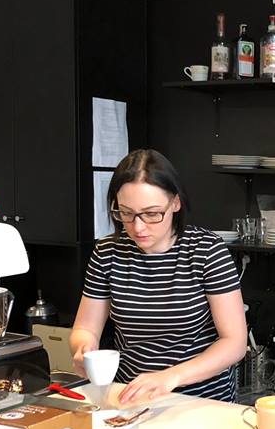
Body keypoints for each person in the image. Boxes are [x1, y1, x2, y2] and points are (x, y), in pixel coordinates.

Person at [70, 149, 247, 403]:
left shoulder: (207, 250)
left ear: (175, 203)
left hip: (201, 402)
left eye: (152, 214)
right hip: (130, 396)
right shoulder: (108, 252)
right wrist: (83, 348)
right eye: (126, 213)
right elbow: (85, 328)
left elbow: (234, 342)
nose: (138, 227)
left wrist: (170, 377)